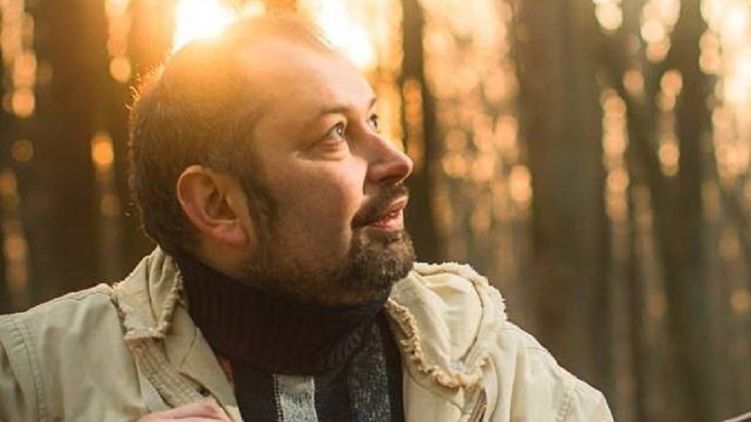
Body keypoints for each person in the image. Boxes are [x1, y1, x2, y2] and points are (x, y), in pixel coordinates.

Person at [0, 14, 613, 422]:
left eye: (373, 119)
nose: (396, 160)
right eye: (335, 134)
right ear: (218, 205)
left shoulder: (498, 373)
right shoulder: (34, 375)